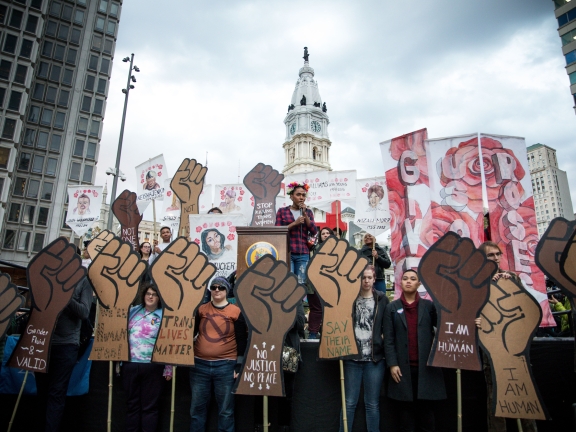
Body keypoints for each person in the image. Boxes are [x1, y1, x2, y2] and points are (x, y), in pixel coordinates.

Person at [478, 241, 538, 432]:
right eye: (490, 255)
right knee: (495, 396)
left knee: (523, 392)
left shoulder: (512, 277)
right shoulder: (477, 282)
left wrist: (509, 284)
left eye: (498, 254)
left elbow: (527, 309)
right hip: (492, 348)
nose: (495, 258)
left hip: (516, 347)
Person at [35, 250, 93, 432]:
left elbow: (84, 312)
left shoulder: (83, 281)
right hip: (43, 342)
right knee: (42, 392)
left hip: (67, 345)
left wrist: (64, 296)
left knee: (56, 393)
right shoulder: (47, 279)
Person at [384, 269, 446, 431]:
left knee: (427, 415)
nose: (408, 281)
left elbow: (443, 329)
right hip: (402, 370)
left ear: (419, 284)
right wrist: (392, 364)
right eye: (405, 278)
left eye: (413, 279)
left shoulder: (429, 307)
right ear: (400, 282)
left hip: (426, 369)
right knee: (405, 416)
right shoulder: (392, 308)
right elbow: (388, 339)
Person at [189, 277, 247, 432]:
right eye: (213, 287)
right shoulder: (201, 309)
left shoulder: (236, 311)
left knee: (226, 411)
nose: (216, 290)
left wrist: (239, 365)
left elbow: (242, 340)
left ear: (226, 290)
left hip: (226, 366)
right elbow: (190, 332)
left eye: (221, 287)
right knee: (196, 410)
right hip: (199, 364)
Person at [340, 265, 389, 432]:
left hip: (374, 359)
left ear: (374, 279)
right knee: (349, 402)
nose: (366, 281)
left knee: (372, 403)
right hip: (352, 357)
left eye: (369, 277)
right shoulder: (350, 298)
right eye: (363, 277)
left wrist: (381, 339)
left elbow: (387, 325)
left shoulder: (382, 299)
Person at [123, 282, 172, 432]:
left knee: (149, 407)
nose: (150, 297)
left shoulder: (164, 315)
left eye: (154, 294)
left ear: (159, 297)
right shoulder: (133, 311)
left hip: (153, 366)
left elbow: (170, 341)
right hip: (130, 364)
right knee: (132, 405)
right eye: (148, 294)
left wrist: (169, 367)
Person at [275, 182, 317, 284]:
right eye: (298, 195)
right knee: (288, 282)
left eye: (303, 195)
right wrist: (295, 223)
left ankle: (301, 301)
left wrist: (305, 214)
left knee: (301, 283)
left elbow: (314, 231)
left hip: (303, 253)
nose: (301, 197)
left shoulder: (309, 212)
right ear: (291, 196)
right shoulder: (282, 211)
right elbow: (277, 231)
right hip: (286, 252)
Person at [307, 227, 334, 339]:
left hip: (331, 285)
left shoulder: (339, 250)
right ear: (320, 236)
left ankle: (329, 334)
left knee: (330, 310)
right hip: (314, 284)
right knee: (316, 309)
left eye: (328, 233)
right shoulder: (313, 249)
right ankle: (313, 334)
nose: (326, 235)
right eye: (323, 233)